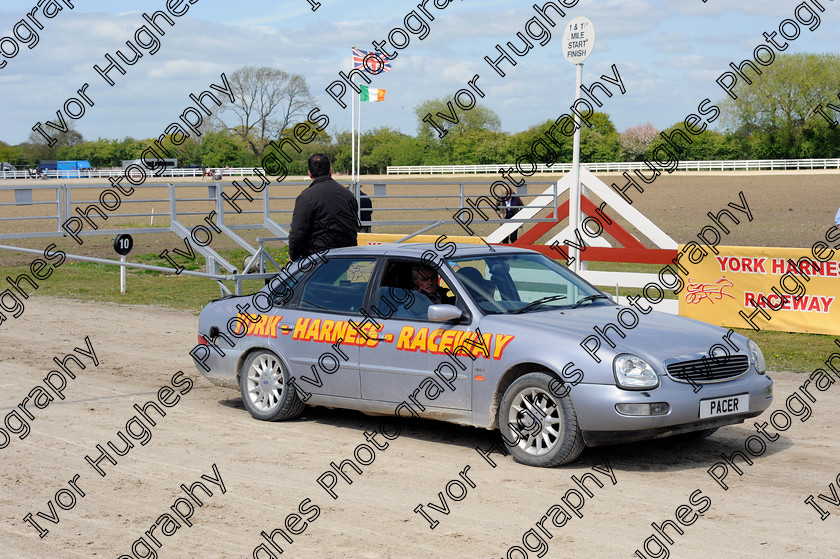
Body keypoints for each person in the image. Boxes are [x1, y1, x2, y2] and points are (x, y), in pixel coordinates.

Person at [289, 153, 359, 262]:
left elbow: (298, 233)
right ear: (330, 171)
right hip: (347, 256)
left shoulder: (307, 197)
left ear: (310, 173)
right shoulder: (348, 195)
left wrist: (293, 257)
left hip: (318, 258)